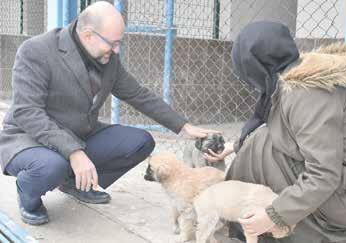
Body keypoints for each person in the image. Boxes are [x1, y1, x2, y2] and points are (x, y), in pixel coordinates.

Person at [0, 1, 216, 225]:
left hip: (78, 133)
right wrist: (74, 152)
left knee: (140, 142)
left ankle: (74, 183)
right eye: (113, 43)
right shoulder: (36, 50)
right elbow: (27, 113)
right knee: (51, 166)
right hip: (30, 138)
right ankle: (29, 195)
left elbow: (137, 94)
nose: (116, 50)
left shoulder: (107, 58)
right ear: (88, 35)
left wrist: (183, 126)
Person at [204, 21, 346, 243]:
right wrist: (233, 147)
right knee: (261, 141)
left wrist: (274, 215)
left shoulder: (308, 94)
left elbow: (323, 174)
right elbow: (284, 129)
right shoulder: (296, 75)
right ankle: (239, 226)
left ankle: (240, 229)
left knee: (261, 148)